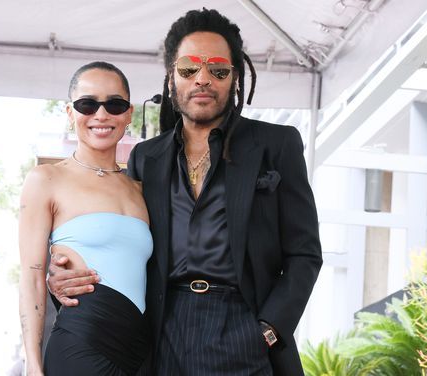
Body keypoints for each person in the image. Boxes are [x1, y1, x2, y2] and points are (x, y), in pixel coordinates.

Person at [48, 8, 323, 376]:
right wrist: (65, 272)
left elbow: (304, 253)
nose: (203, 80)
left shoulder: (277, 144)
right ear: (171, 77)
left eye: (218, 70)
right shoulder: (147, 158)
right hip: (164, 333)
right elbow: (126, 243)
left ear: (235, 78)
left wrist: (268, 330)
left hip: (244, 329)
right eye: (189, 69)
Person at [18, 61, 152, 376]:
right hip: (81, 347)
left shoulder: (141, 188)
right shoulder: (46, 179)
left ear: (129, 114)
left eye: (114, 104)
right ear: (70, 113)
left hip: (141, 351)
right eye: (87, 104)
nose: (101, 115)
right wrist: (33, 365)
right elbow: (31, 275)